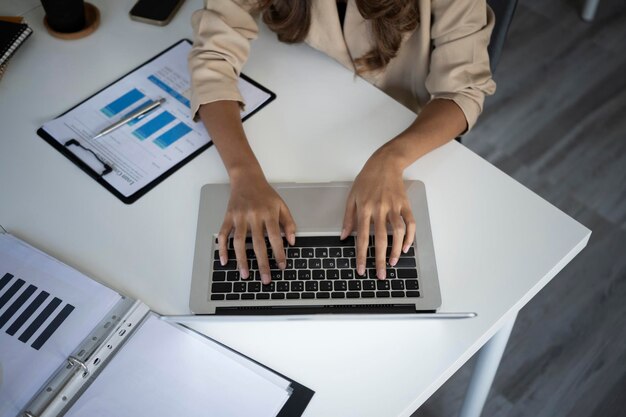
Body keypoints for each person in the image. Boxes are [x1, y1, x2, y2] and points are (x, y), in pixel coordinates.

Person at [189, 0, 496, 285]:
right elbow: (213, 58)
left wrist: (391, 159)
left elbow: (462, 92)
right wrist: (244, 174)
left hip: (406, 127)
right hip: (310, 103)